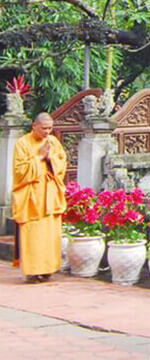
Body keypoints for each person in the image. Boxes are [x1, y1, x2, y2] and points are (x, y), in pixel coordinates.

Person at [12, 112, 67, 283]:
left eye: (50, 128)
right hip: (31, 197)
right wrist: (39, 157)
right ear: (34, 126)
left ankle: (48, 269)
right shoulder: (22, 144)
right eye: (43, 128)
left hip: (50, 194)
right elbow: (19, 171)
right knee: (33, 234)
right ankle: (32, 272)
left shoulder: (53, 142)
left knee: (50, 234)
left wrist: (50, 158)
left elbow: (62, 163)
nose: (47, 132)